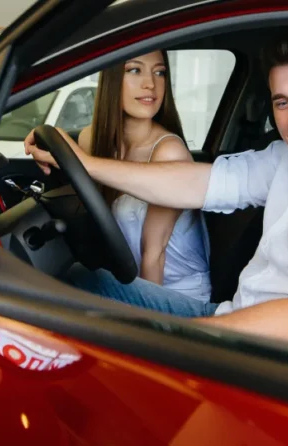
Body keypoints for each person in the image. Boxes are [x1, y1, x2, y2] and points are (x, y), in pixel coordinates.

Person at [27, 26, 288, 355]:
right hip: (233, 319)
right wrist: (84, 163)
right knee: (84, 283)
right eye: (282, 102)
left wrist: (185, 340)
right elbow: (199, 182)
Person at [76, 49, 211, 302]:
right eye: (135, 70)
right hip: (128, 281)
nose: (150, 84)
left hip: (173, 294)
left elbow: (153, 256)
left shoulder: (168, 153)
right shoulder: (91, 140)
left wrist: (145, 332)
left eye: (159, 72)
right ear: (112, 79)